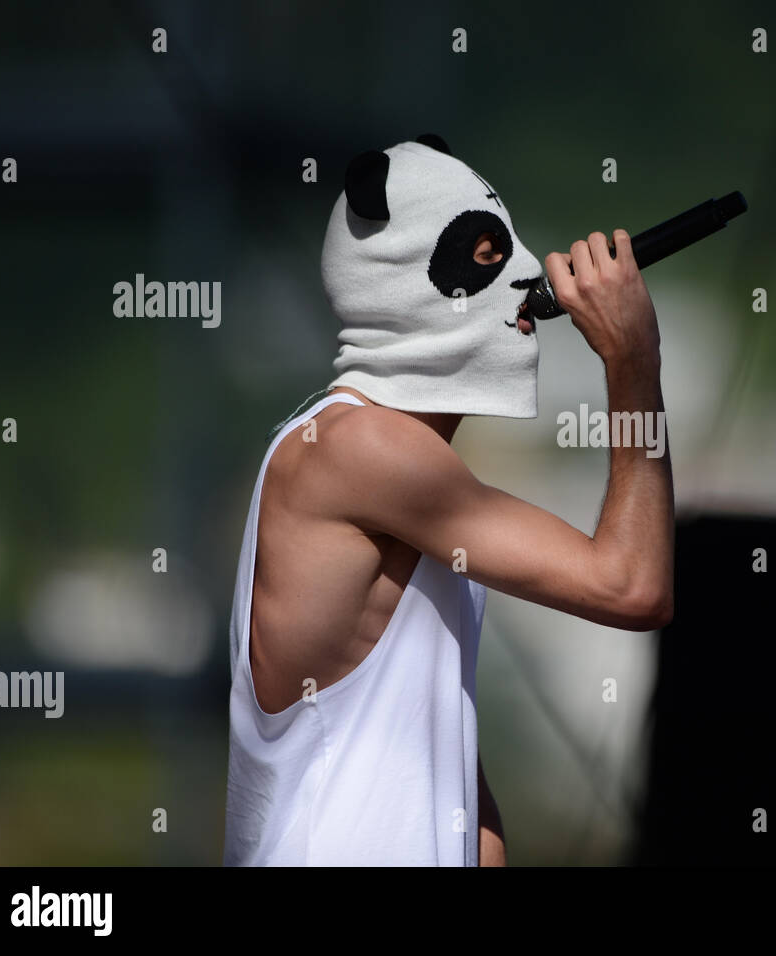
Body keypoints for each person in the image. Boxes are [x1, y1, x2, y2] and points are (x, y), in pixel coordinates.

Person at [223, 135, 674, 866]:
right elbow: (632, 585)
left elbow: (457, 788)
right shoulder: (362, 448)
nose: (530, 270)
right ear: (404, 281)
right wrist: (634, 361)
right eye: (491, 254)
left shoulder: (400, 476)